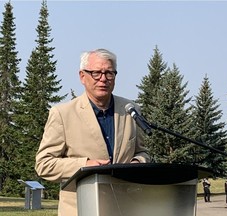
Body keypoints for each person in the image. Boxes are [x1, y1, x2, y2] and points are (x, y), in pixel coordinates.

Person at [35, 48, 150, 216]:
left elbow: (143, 152)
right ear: (82, 76)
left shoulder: (131, 110)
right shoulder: (62, 114)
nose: (103, 79)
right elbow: (43, 164)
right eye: (96, 73)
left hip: (125, 208)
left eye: (109, 73)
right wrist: (84, 165)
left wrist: (138, 163)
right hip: (80, 209)